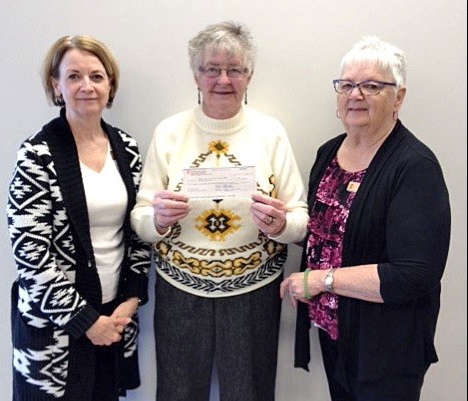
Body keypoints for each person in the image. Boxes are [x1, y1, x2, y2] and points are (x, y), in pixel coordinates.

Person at [131, 21, 308, 401]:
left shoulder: (270, 132)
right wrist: (158, 220)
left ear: (250, 76)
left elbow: (300, 222)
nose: (223, 80)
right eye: (212, 69)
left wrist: (280, 225)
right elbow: (140, 220)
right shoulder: (169, 133)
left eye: (235, 70)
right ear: (196, 75)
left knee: (250, 393)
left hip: (254, 292)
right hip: (180, 290)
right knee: (177, 393)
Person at [280, 36, 451, 401]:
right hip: (334, 333)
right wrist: (283, 227)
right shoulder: (329, 152)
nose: (355, 95)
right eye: (346, 85)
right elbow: (333, 237)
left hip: (386, 348)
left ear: (398, 98)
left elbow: (413, 274)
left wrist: (321, 280)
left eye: (371, 85)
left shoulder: (413, 166)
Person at [6, 35, 151, 401]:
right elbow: (30, 255)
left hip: (114, 318)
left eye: (97, 76)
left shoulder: (127, 149)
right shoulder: (36, 154)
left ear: (110, 85)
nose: (87, 86)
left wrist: (132, 298)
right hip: (56, 326)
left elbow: (136, 234)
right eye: (73, 76)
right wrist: (86, 322)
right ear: (56, 85)